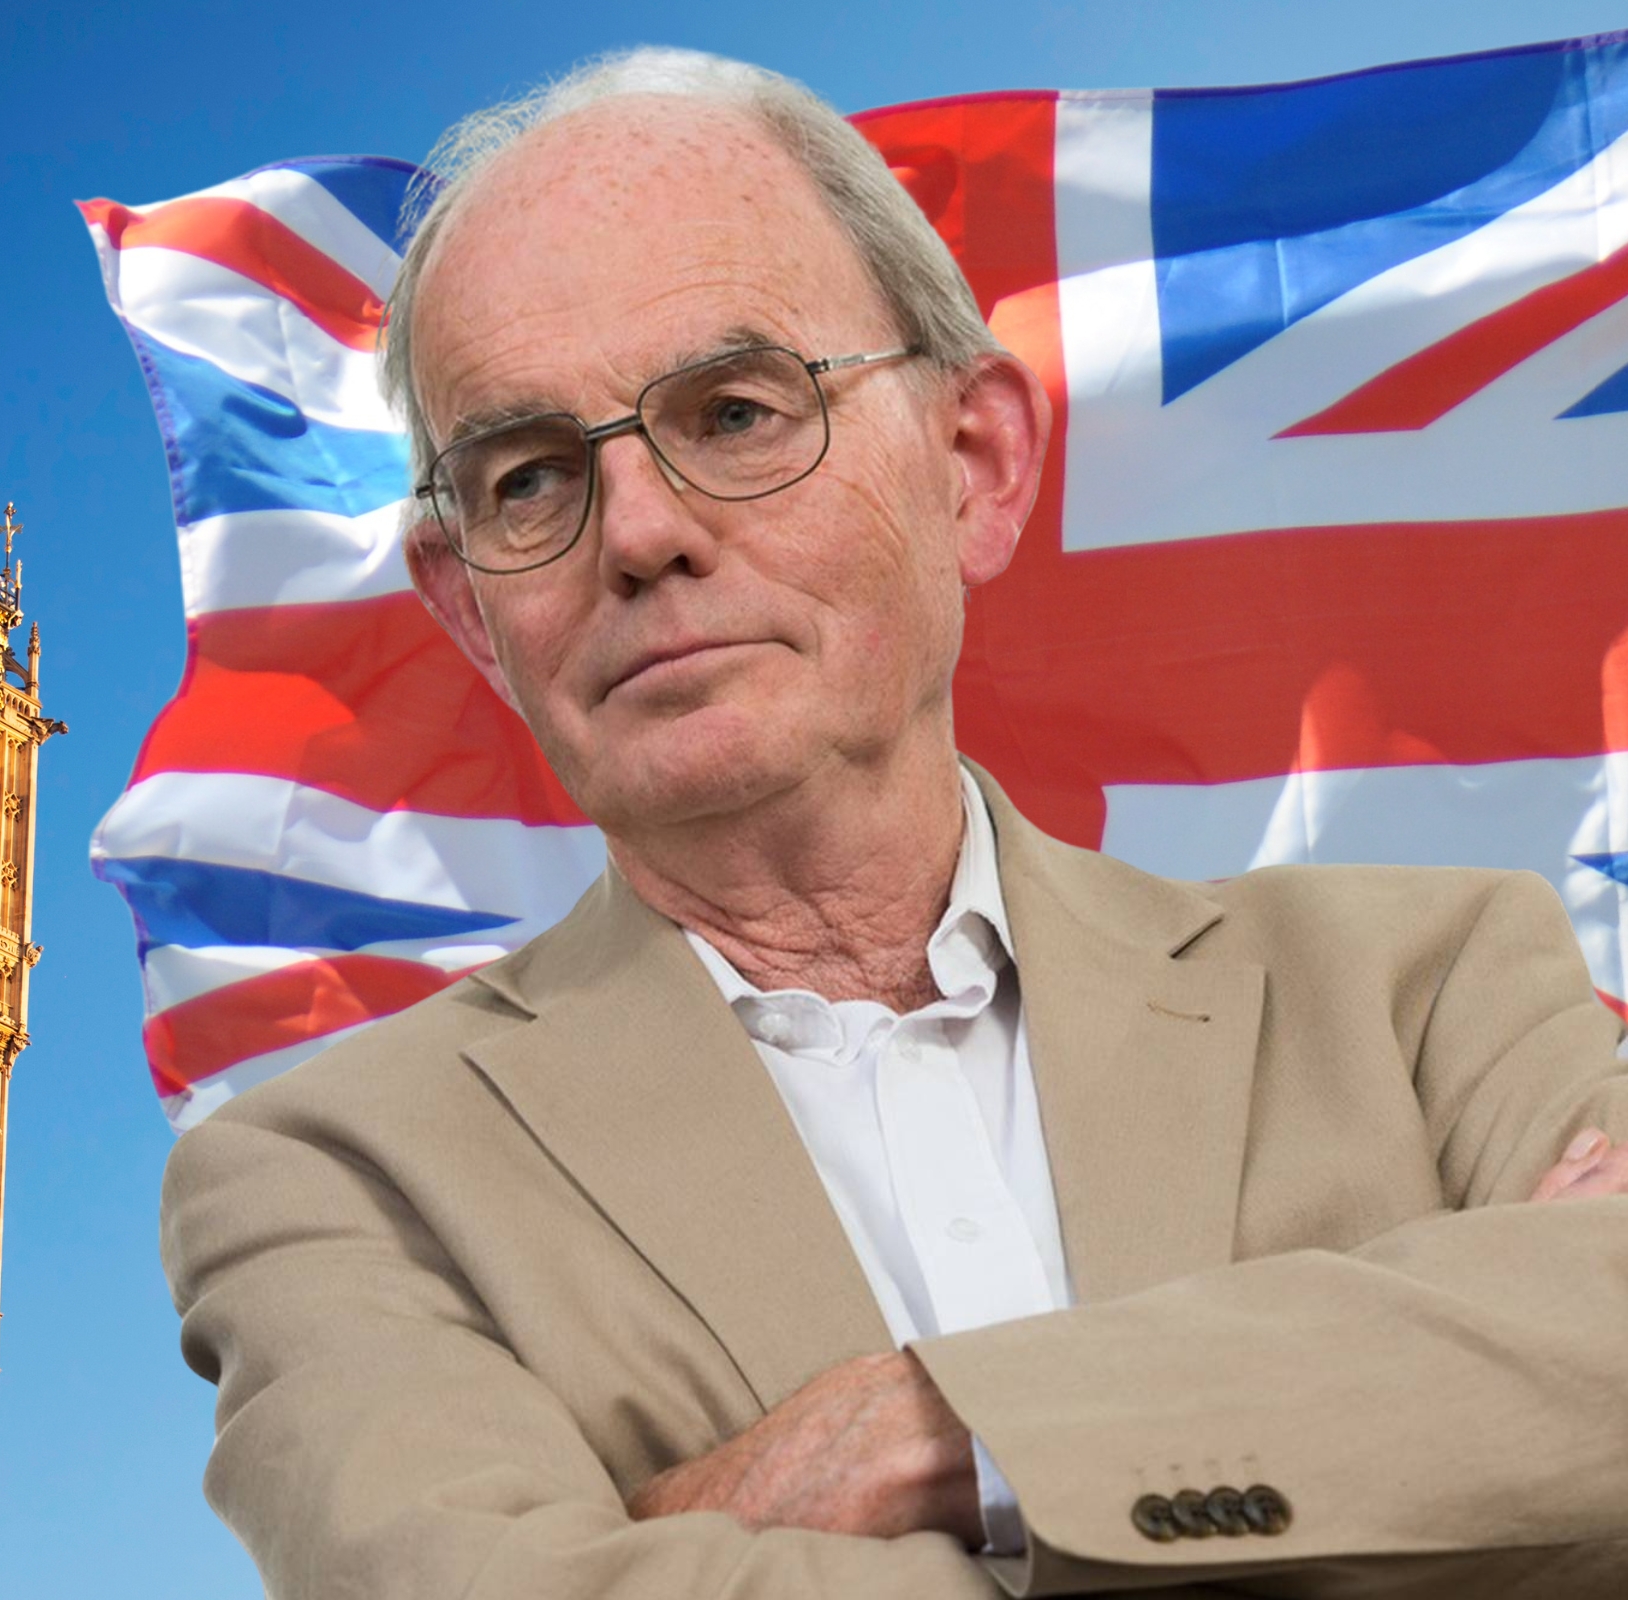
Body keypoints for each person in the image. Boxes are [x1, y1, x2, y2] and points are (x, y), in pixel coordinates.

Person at [158, 47, 1628, 1599]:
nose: (642, 533)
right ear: (470, 615)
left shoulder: (1427, 983)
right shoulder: (336, 1176)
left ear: (973, 467)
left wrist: (950, 1432)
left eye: (733, 412)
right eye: (529, 478)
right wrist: (1416, 1460)